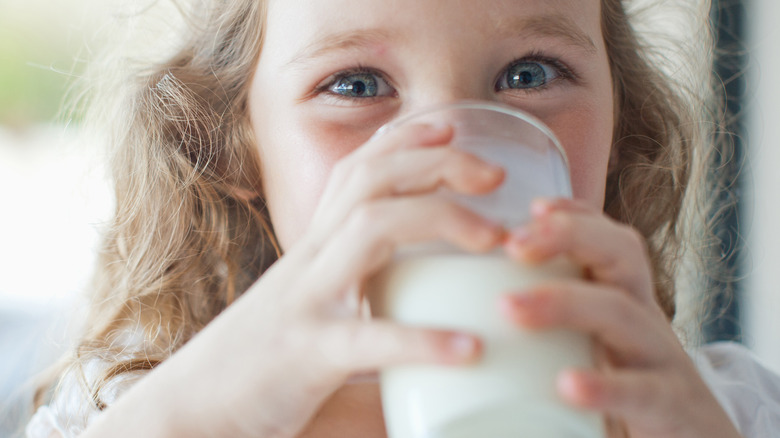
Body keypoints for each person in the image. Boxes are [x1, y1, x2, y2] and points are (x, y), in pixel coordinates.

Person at [24, 0, 780, 437]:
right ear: (235, 151)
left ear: (621, 124)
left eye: (529, 74)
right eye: (356, 84)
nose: (450, 150)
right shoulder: (143, 405)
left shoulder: (716, 409)